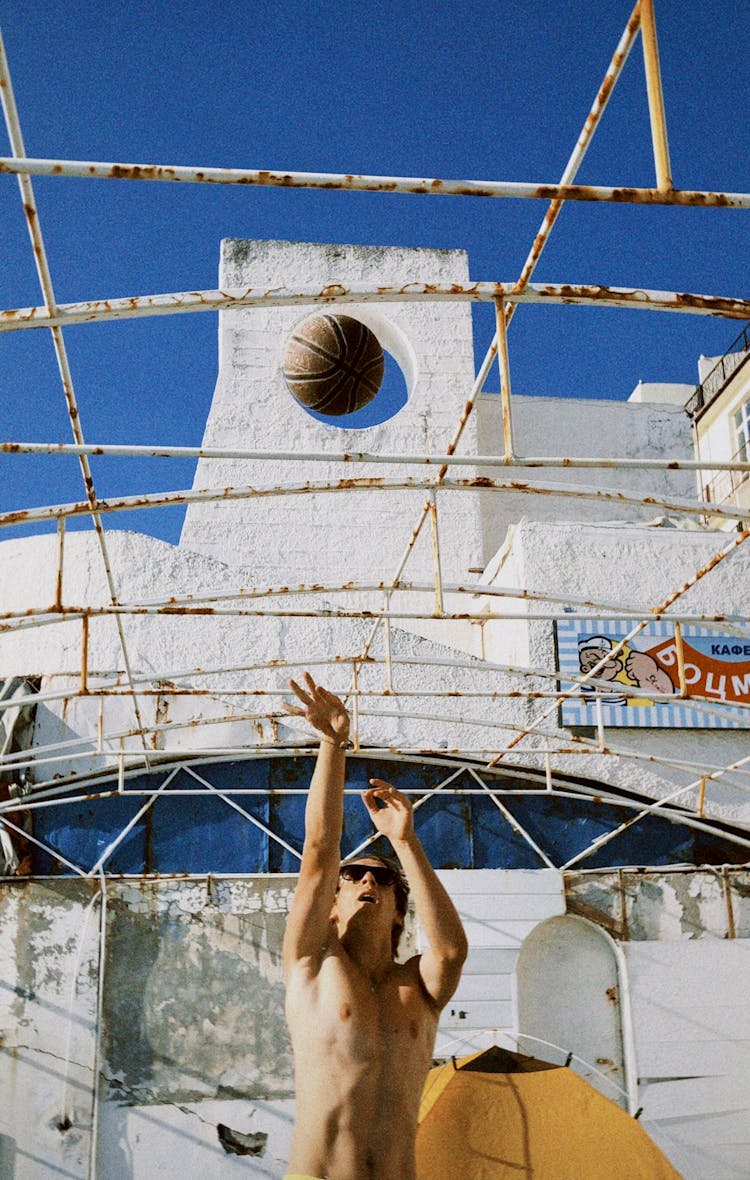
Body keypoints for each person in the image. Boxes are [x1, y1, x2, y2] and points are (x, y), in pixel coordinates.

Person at [282, 673, 468, 1180]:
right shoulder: (311, 966)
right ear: (333, 906)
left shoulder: (418, 987)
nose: (367, 878)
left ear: (399, 909)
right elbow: (319, 852)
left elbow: (450, 951)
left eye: (382, 878)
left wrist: (406, 844)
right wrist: (333, 742)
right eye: (354, 875)